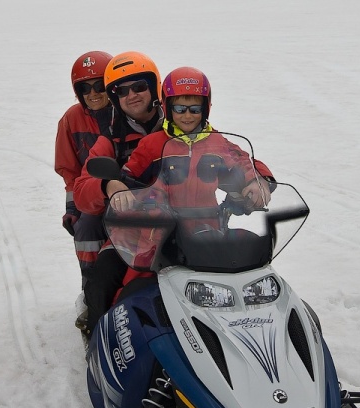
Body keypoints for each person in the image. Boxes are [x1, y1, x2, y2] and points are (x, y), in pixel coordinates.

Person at [79, 66, 276, 338]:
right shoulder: (152, 145)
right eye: (180, 108)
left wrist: (258, 181)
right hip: (156, 233)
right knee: (131, 291)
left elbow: (244, 161)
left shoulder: (217, 143)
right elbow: (128, 175)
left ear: (206, 108)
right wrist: (120, 189)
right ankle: (108, 335)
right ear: (168, 106)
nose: (187, 116)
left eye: (194, 109)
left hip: (206, 233)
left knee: (243, 281)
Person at [73, 50, 164, 333]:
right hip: (131, 232)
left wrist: (251, 181)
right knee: (103, 279)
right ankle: (99, 335)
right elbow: (81, 189)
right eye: (122, 91)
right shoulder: (111, 139)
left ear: (154, 87)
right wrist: (108, 185)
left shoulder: (182, 125)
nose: (132, 95)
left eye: (139, 87)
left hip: (187, 227)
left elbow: (225, 152)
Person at [55, 51, 113, 290]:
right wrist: (72, 209)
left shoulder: (127, 112)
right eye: (85, 88)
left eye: (100, 85)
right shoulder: (71, 119)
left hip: (131, 193)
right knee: (87, 228)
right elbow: (69, 170)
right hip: (90, 195)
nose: (93, 93)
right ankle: (92, 292)